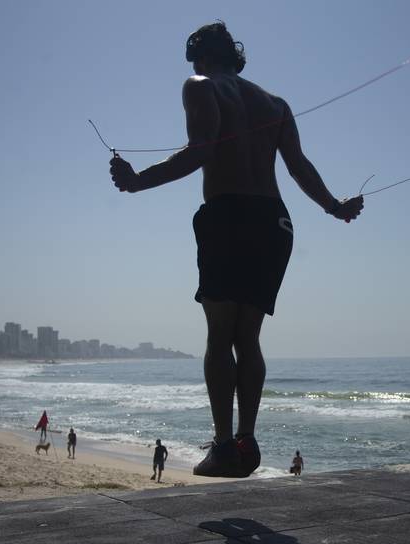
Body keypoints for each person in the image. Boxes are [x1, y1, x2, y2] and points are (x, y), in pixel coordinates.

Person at [109, 21, 363, 478]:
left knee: (218, 335)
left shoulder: (199, 85)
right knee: (249, 337)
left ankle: (223, 446)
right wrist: (335, 207)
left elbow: (200, 150)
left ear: (201, 59)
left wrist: (137, 181)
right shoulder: (276, 103)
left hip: (228, 214)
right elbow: (299, 167)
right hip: (275, 222)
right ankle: (248, 441)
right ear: (235, 55)